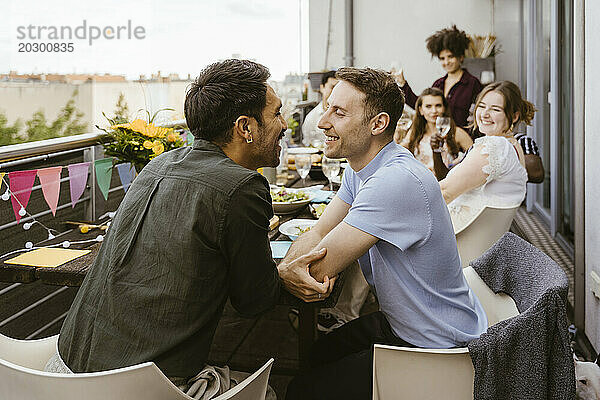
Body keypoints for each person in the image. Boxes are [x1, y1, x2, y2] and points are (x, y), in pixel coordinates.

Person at [49, 59, 333, 398]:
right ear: (246, 127)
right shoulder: (242, 186)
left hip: (63, 371)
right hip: (138, 389)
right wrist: (282, 272)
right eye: (276, 114)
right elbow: (253, 301)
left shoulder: (158, 164)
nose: (285, 124)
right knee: (270, 391)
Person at [284, 67, 487, 400]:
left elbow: (316, 269)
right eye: (328, 107)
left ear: (377, 124)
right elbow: (320, 230)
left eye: (339, 112)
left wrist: (283, 271)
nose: (322, 122)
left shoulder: (395, 181)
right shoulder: (363, 165)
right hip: (405, 322)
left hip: (435, 345)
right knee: (315, 355)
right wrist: (287, 271)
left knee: (299, 391)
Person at [439, 81, 535, 232]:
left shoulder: (494, 147)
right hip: (475, 235)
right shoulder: (512, 145)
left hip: (456, 238)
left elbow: (445, 192)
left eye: (495, 109)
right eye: (482, 106)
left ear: (514, 116)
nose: (484, 114)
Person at [396, 25, 483, 129]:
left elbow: (479, 117)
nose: (446, 62)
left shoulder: (473, 84)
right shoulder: (438, 83)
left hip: (464, 140)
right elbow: (421, 105)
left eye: (450, 57)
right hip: (439, 139)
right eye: (442, 58)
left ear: (461, 57)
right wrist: (402, 84)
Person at [395, 87, 473, 179]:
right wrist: (396, 137)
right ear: (421, 110)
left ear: (444, 108)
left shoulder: (456, 132)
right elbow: (398, 155)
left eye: (438, 105)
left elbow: (474, 159)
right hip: (420, 183)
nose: (434, 111)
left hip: (446, 184)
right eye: (428, 106)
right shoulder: (415, 132)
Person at [302, 70, 338, 147]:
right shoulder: (311, 118)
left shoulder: (348, 116)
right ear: (322, 88)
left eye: (339, 88)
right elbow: (308, 144)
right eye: (332, 87)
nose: (336, 92)